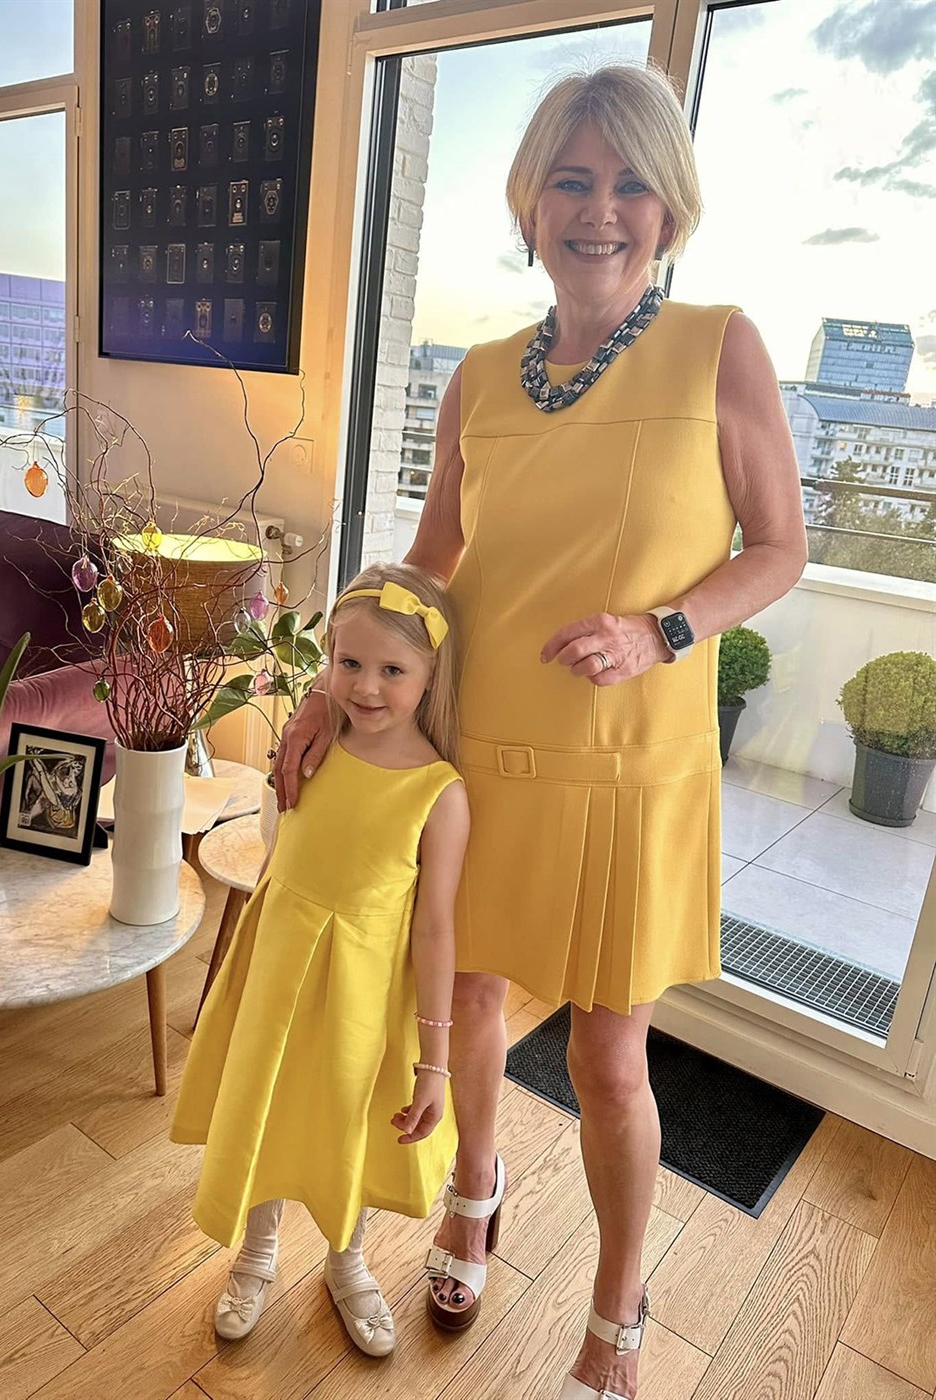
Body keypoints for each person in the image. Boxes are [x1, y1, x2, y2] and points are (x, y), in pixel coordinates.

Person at [277, 64, 807, 1400]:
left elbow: (779, 547)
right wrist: (334, 686)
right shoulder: (478, 376)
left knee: (605, 1056)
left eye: (630, 184)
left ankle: (618, 1313)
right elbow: (433, 560)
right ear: (529, 204)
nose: (599, 210)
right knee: (461, 998)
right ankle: (473, 1186)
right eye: (571, 181)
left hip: (628, 765)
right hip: (478, 755)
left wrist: (664, 628)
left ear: (669, 210)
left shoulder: (721, 346)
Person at [170, 562, 470, 1359]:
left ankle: (346, 1258)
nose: (366, 687)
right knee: (266, 1101)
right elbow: (279, 849)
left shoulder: (439, 792)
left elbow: (436, 929)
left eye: (393, 670)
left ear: (430, 675)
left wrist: (435, 1061)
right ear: (327, 662)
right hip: (279, 968)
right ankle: (256, 1250)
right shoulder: (310, 746)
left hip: (366, 993)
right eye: (349, 663)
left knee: (350, 1119)